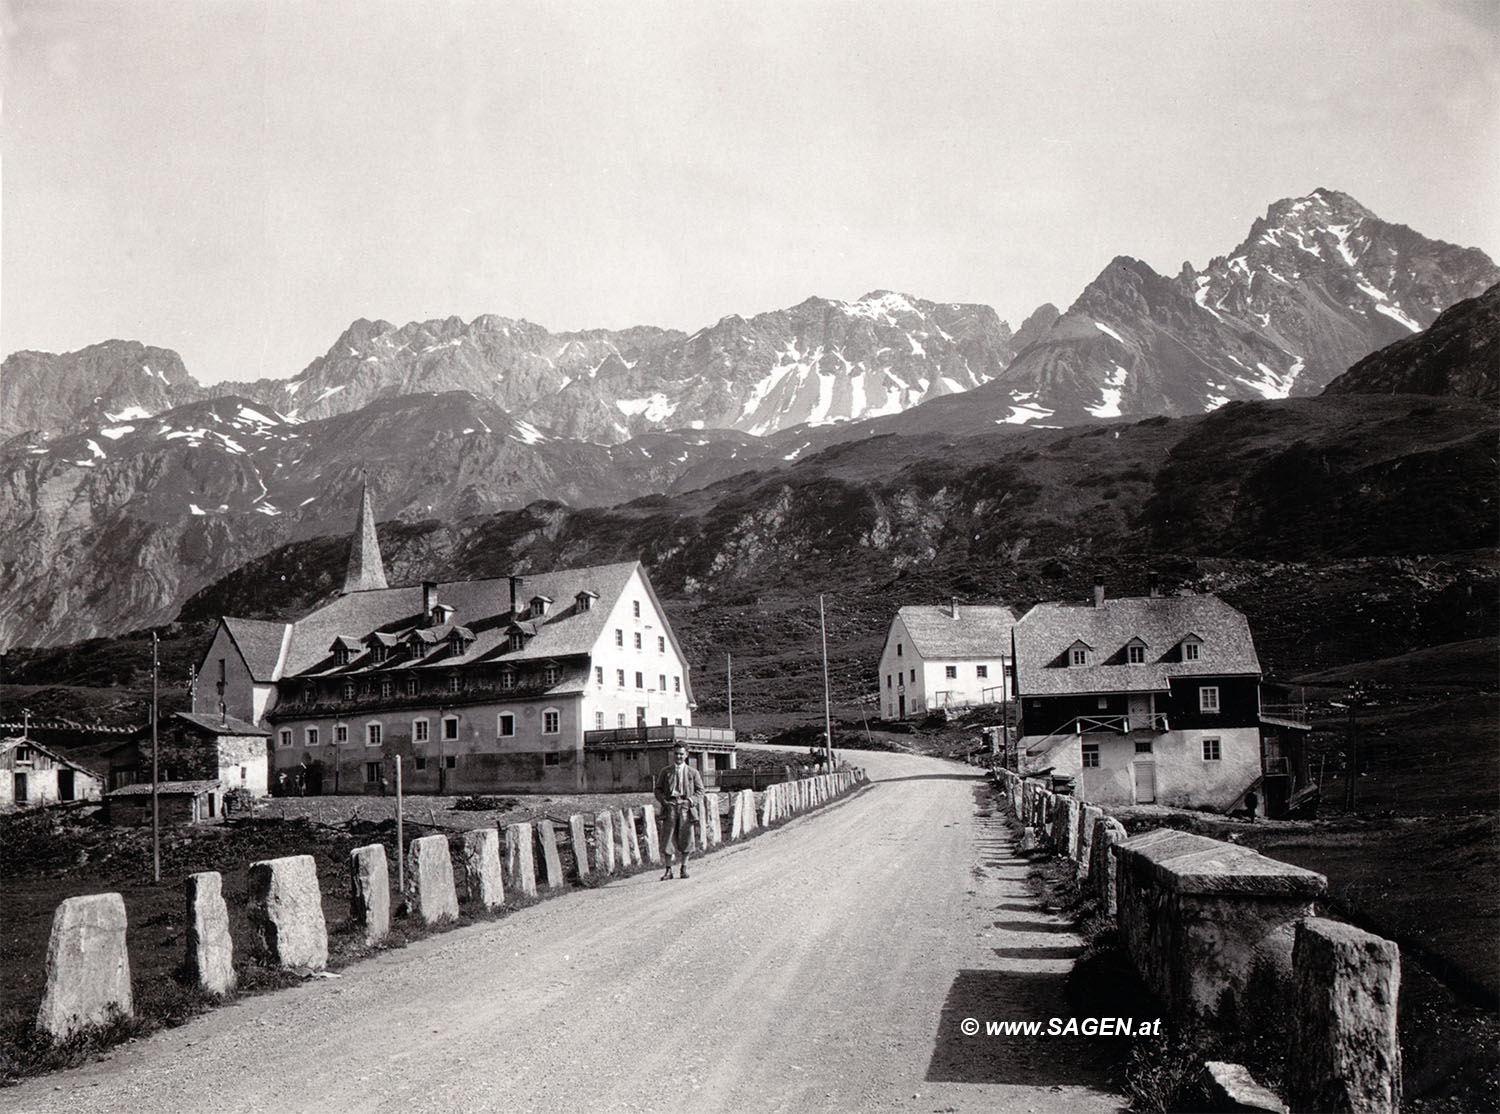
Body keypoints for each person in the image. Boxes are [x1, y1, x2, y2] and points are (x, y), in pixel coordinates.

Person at [655, 745, 704, 880]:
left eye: (681, 754)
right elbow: (657, 789)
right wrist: (664, 801)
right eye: (676, 754)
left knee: (686, 837)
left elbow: (700, 791)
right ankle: (668, 870)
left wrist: (690, 801)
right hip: (670, 806)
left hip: (685, 806)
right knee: (668, 837)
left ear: (686, 755)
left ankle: (684, 868)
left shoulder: (693, 773)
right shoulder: (665, 772)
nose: (678, 757)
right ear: (673, 754)